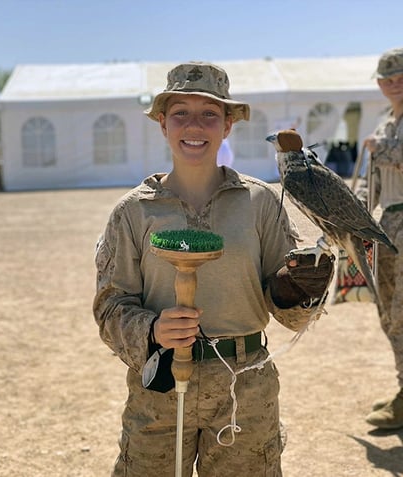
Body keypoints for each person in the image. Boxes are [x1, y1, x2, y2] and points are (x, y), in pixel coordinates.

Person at [92, 62, 334, 476]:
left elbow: (291, 314)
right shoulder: (133, 212)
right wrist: (152, 330)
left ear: (227, 126)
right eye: (180, 113)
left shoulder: (261, 203)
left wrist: (298, 289)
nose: (195, 125)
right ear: (162, 124)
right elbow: (110, 308)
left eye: (209, 114)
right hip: (160, 385)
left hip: (246, 386)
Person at [363, 47, 403, 429]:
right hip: (387, 223)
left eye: (400, 76)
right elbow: (372, 183)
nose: (394, 83)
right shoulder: (385, 124)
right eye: (387, 78)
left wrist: (384, 148)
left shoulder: (384, 136)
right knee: (390, 313)